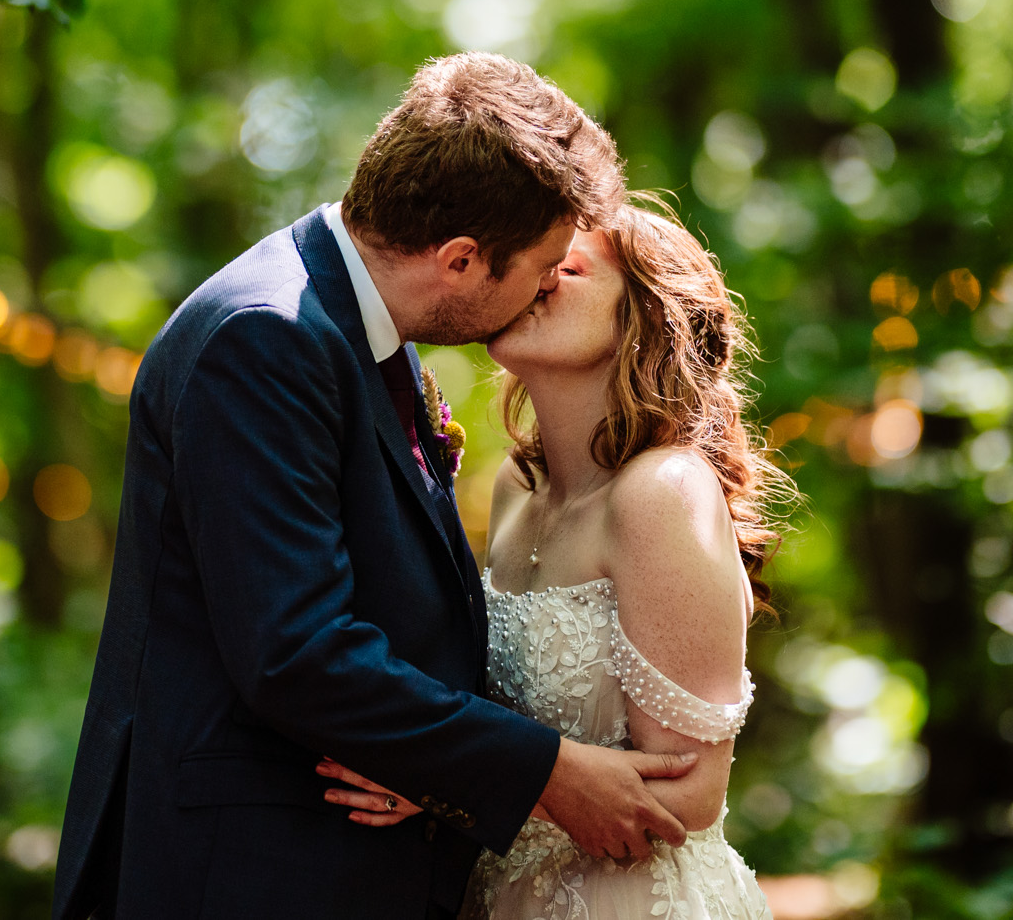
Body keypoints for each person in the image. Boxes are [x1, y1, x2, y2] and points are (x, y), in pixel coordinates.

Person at [51, 54, 704, 920]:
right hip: (253, 874)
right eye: (542, 265)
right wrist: (543, 772)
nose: (549, 285)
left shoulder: (347, 330)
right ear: (465, 258)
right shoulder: (269, 337)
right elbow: (295, 649)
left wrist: (432, 774)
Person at [316, 201, 785, 920]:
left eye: (564, 269)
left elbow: (692, 795)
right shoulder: (516, 488)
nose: (529, 280)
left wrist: (447, 785)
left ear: (643, 322)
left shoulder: (662, 491)